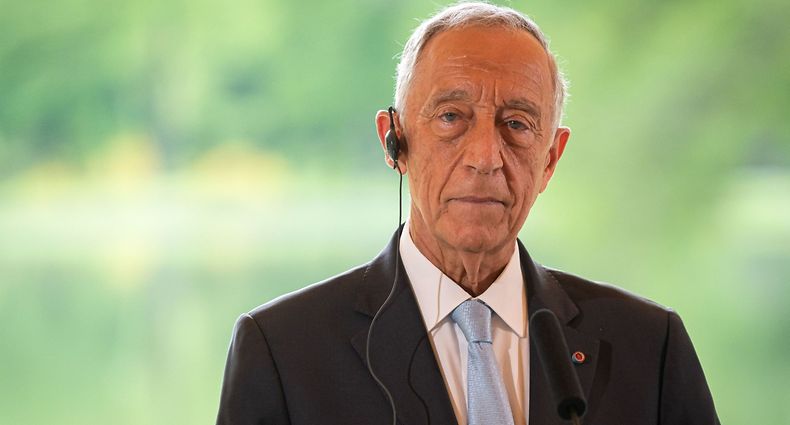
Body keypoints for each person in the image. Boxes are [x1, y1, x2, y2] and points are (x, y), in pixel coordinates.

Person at [216, 2, 720, 424]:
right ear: (394, 142)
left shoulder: (650, 347)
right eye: (451, 117)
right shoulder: (283, 352)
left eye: (517, 124)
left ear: (550, 159)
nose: (485, 156)